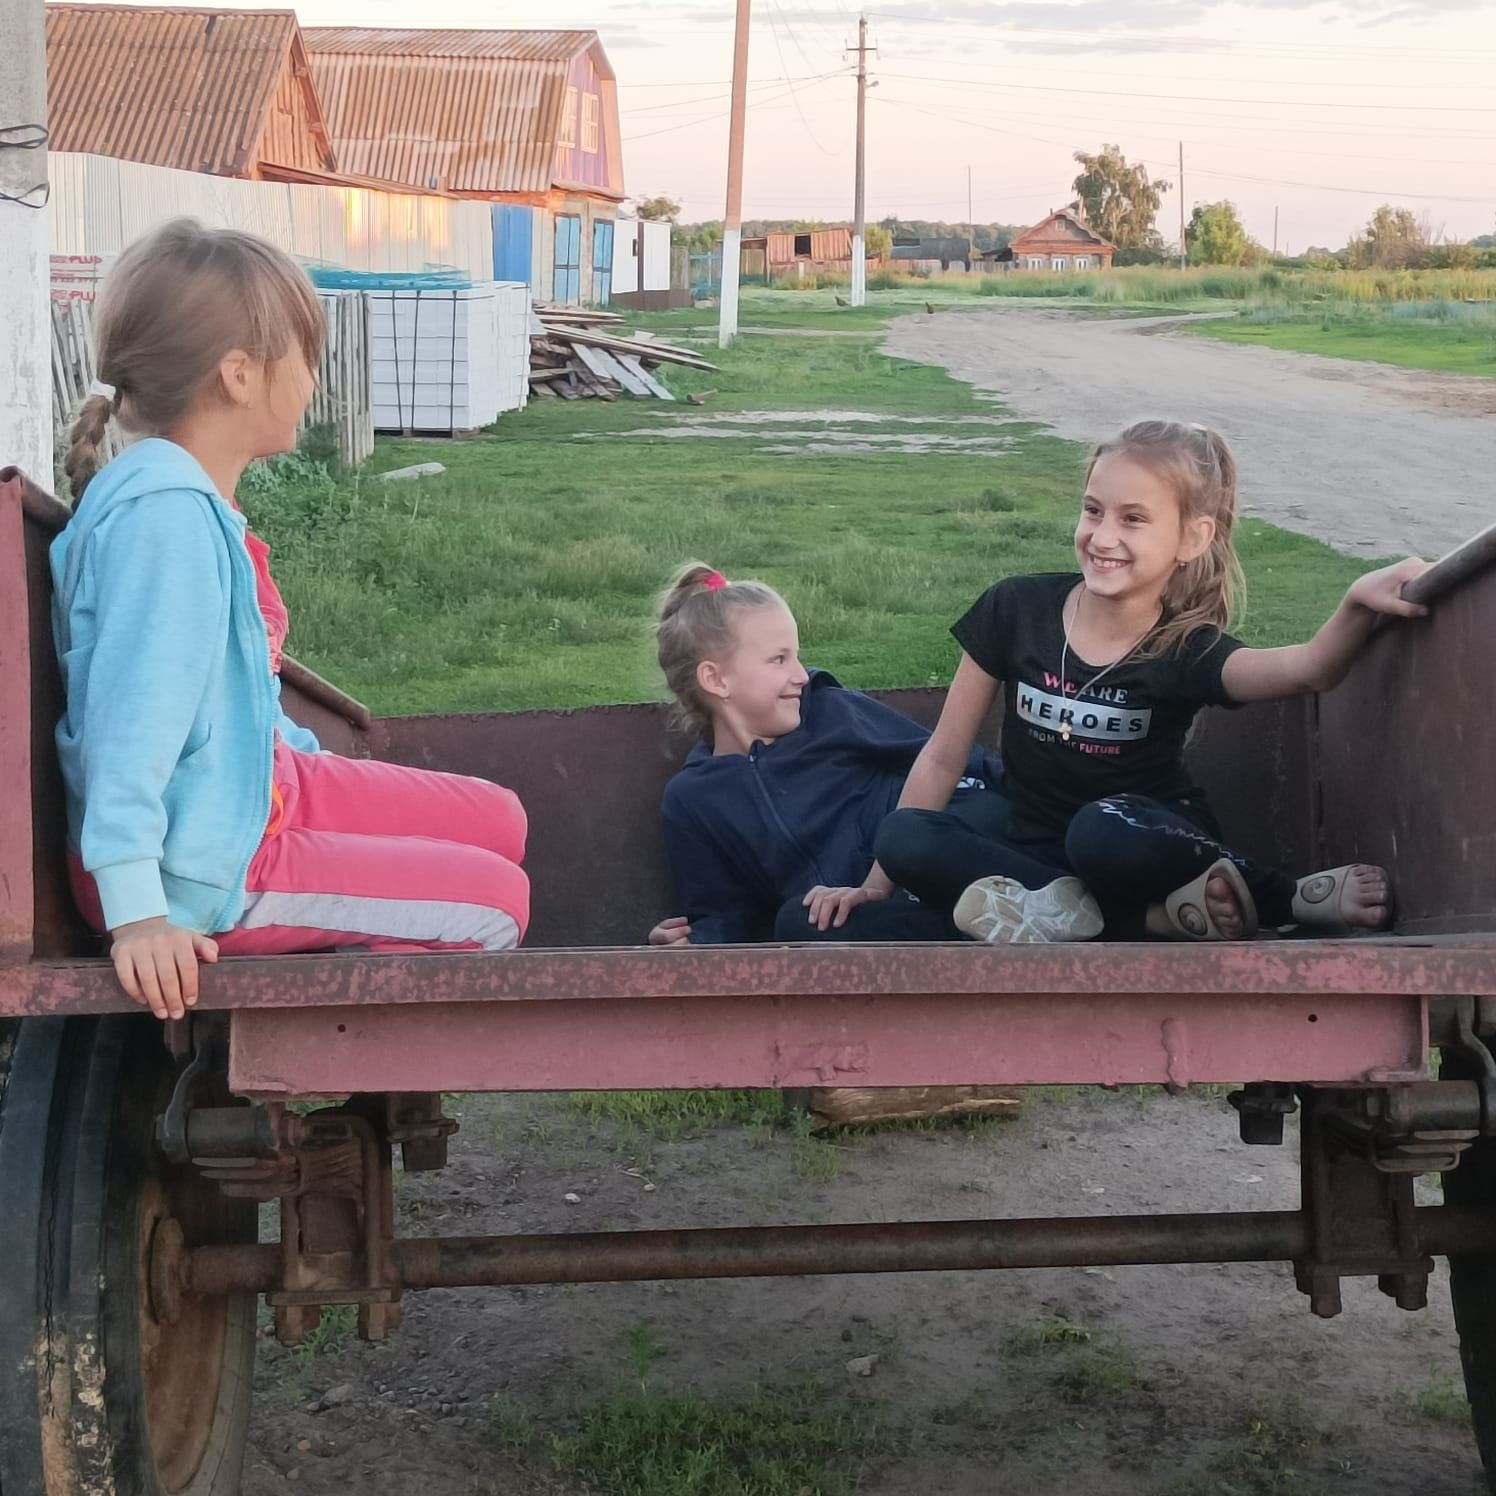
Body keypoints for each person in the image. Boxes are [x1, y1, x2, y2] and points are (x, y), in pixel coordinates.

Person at [53, 219, 529, 1021]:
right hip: (197, 869)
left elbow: (227, 700)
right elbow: (126, 735)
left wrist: (299, 766)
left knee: (501, 820)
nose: (313, 379)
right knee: (496, 904)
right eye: (304, 356)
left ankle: (348, 901)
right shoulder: (164, 523)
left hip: (246, 791)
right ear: (238, 374)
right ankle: (326, 1015)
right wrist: (140, 913)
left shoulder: (188, 502)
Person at [827, 419, 1429, 944]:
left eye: (1133, 519)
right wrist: (879, 884)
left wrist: (1354, 604)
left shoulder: (1184, 646)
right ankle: (1149, 922)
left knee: (1099, 829)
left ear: (1192, 538)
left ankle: (1282, 896)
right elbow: (941, 758)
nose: (1103, 536)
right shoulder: (1015, 609)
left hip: (1139, 839)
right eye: (1094, 510)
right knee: (903, 834)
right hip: (1033, 850)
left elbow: (1307, 670)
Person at [648, 564, 1005, 947]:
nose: (801, 674)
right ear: (716, 679)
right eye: (779, 659)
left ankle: (1031, 899)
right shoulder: (693, 799)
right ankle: (988, 929)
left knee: (950, 821)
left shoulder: (828, 711)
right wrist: (693, 944)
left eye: (797, 656)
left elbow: (942, 760)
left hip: (940, 846)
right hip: (883, 912)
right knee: (800, 922)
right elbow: (725, 912)